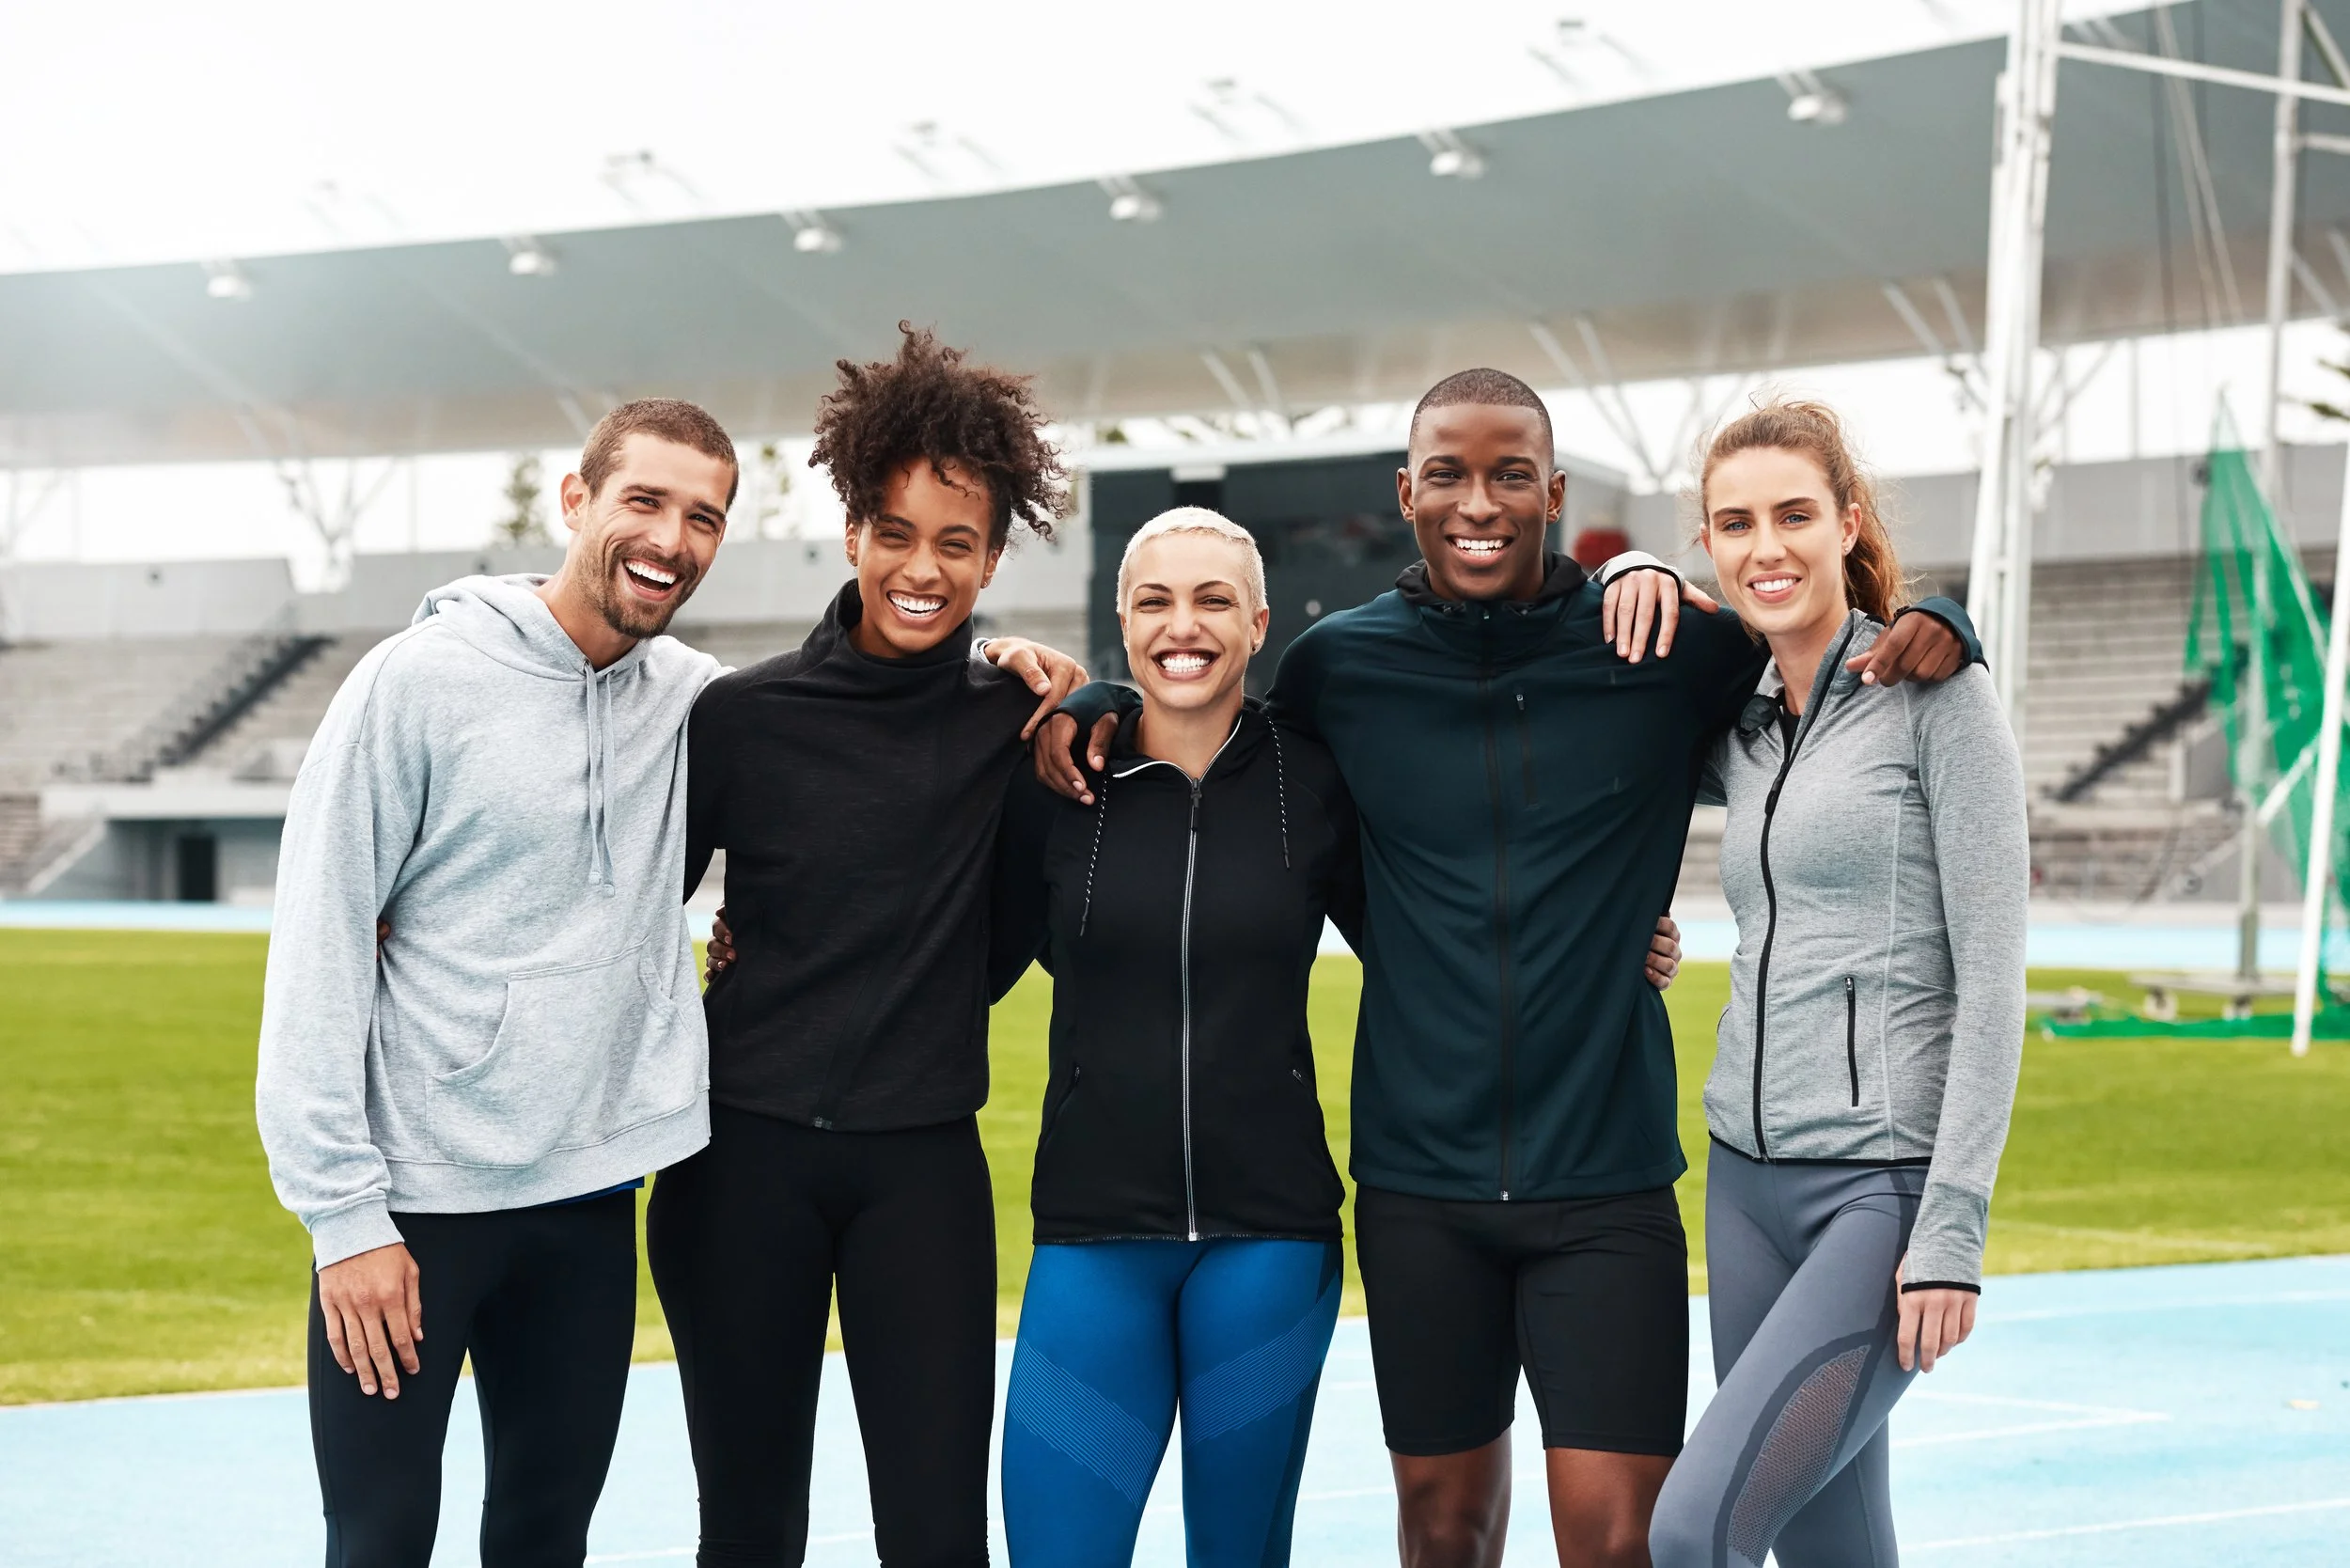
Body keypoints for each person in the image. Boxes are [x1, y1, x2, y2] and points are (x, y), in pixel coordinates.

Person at [1039, 368, 1982, 1568]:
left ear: (1554, 491)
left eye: (1507, 474)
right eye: (1446, 473)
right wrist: (1102, 693)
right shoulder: (1340, 668)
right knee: (1441, 1534)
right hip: (1417, 1186)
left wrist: (1944, 617)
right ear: (1405, 492)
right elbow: (1221, 743)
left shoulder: (1664, 646)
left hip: (1606, 1183)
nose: (1476, 500)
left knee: (1618, 1539)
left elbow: (1809, 637)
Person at [985, 508, 1684, 1568]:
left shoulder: (1313, 778)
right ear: (1120, 622)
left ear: (1259, 622)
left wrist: (1611, 934)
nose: (1186, 625)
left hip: (1270, 1247)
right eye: (1157, 601)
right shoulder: (1057, 780)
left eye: (1214, 599)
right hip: (1091, 1244)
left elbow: (1449, 922)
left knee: (1240, 1556)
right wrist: (991, 651)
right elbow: (958, 956)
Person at [255, 400, 740, 1568]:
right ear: (574, 504)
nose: (672, 539)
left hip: (587, 1198)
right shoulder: (413, 682)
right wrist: (343, 1218)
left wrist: (998, 661)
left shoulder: (696, 701)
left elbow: (849, 718)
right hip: (414, 1208)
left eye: (704, 518)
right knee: (377, 1543)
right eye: (645, 501)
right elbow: (318, 945)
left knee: (543, 1538)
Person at [650, 325, 1083, 1568]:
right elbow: (629, 918)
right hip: (738, 1165)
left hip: (922, 1175)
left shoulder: (1021, 718)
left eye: (957, 544)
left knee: (939, 1535)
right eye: (895, 533)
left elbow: (1009, 938)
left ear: (994, 555)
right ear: (852, 534)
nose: (922, 570)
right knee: (748, 1527)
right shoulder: (740, 718)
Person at [1644, 401, 2026, 1568]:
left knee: (1695, 1530)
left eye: (1793, 514)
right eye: (1733, 523)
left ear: (1845, 522)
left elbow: (1996, 977)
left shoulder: (1936, 698)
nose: (1766, 547)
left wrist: (1950, 1232)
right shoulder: (1742, 726)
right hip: (1746, 1185)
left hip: (1880, 1192)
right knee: (1831, 1551)